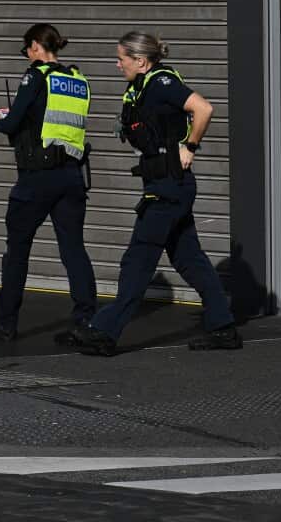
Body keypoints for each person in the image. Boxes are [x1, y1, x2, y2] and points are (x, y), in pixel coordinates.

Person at [72, 31, 242, 356]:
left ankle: (104, 331)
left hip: (169, 186)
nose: (117, 63)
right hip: (164, 184)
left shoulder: (162, 82)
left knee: (138, 258)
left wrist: (189, 146)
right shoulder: (139, 88)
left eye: (121, 58)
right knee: (189, 258)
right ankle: (223, 327)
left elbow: (203, 109)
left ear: (140, 60)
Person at [0, 23, 97, 343]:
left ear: (36, 47)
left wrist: (2, 119)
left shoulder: (36, 75)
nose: (27, 55)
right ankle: (87, 320)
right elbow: (53, 122)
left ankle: (4, 322)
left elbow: (14, 122)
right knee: (74, 250)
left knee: (17, 251)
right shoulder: (77, 80)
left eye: (27, 49)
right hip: (71, 174)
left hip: (37, 177)